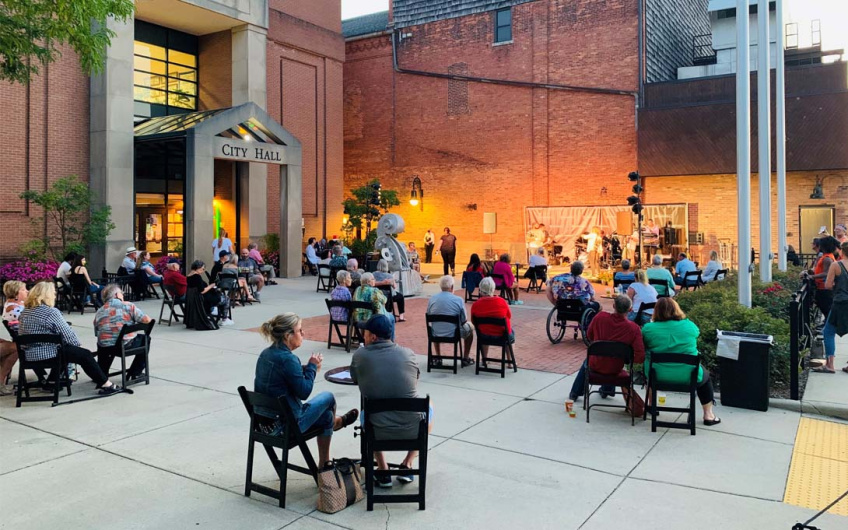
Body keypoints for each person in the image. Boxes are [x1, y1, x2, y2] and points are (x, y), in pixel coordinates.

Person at [254, 313, 358, 468]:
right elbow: (304, 392)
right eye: (300, 330)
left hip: (263, 425)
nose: (303, 334)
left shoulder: (266, 354)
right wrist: (312, 368)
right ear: (288, 335)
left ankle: (326, 457)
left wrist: (304, 369)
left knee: (326, 417)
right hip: (285, 426)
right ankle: (334, 429)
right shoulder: (288, 359)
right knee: (328, 397)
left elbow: (281, 379)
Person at [351, 314, 433, 487]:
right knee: (428, 405)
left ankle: (382, 468)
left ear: (373, 337)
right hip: (413, 429)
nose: (363, 336)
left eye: (365, 333)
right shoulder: (408, 354)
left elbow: (355, 378)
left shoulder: (360, 356)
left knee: (368, 411)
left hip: (377, 430)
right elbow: (413, 382)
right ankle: (408, 463)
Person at [18, 282, 121, 395]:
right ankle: (107, 384)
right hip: (48, 354)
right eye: (53, 293)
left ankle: (52, 381)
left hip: (28, 354)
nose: (54, 295)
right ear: (46, 295)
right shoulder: (51, 312)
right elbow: (69, 336)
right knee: (84, 355)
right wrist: (77, 346)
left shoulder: (25, 312)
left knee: (68, 350)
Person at [641, 298, 720, 425]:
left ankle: (652, 406)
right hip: (688, 376)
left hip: (658, 376)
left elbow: (643, 346)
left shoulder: (648, 329)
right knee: (705, 378)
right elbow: (696, 335)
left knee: (647, 369)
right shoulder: (689, 326)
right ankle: (708, 415)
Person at [569, 295, 646, 401]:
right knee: (611, 360)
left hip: (595, 364)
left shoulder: (600, 317)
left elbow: (589, 335)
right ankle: (607, 390)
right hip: (616, 368)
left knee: (589, 360)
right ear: (630, 309)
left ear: (613, 305)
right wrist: (628, 360)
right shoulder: (634, 329)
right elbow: (640, 356)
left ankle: (575, 392)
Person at [94, 284, 152, 380]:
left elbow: (97, 332)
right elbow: (146, 320)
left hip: (105, 348)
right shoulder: (128, 306)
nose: (123, 295)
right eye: (122, 293)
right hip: (124, 345)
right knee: (146, 339)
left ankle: (102, 374)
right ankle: (135, 372)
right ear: (117, 295)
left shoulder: (100, 311)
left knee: (102, 342)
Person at [426, 275, 475, 367]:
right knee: (470, 329)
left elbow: (428, 314)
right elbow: (464, 320)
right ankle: (465, 357)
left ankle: (438, 356)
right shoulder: (458, 300)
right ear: (452, 287)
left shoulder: (432, 299)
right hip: (454, 333)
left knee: (435, 326)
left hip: (435, 333)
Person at [821, 241, 848, 374]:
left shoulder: (836, 265)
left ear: (841, 251)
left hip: (840, 302)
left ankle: (830, 364)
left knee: (828, 331)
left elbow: (828, 285)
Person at [471, 277, 514, 355]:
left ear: (480, 290)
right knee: (510, 333)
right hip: (501, 335)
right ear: (493, 289)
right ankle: (510, 361)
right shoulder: (502, 302)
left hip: (484, 335)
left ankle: (485, 359)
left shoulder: (476, 305)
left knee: (484, 329)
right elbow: (509, 316)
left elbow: (474, 322)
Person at [805, 236, 838, 331]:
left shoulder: (827, 258)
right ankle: (827, 324)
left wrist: (812, 277)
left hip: (825, 287)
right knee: (821, 305)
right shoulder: (824, 256)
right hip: (821, 286)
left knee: (826, 306)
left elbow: (826, 273)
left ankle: (829, 326)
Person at [0, 281, 27, 395]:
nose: (27, 291)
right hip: (23, 338)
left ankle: (1, 381)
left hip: (20, 337)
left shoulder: (15, 305)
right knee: (17, 348)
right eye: (24, 289)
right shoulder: (13, 308)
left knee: (16, 348)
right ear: (16, 293)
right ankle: (0, 382)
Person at [187, 260, 232, 325]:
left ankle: (214, 310)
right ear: (198, 268)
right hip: (204, 299)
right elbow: (202, 291)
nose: (203, 271)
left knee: (220, 296)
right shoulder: (197, 277)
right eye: (203, 269)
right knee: (226, 298)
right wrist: (211, 286)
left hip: (197, 299)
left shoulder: (189, 276)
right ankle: (224, 318)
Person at [353, 272, 395, 340]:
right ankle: (390, 341)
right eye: (373, 279)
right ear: (368, 282)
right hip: (372, 321)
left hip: (358, 320)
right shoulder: (374, 291)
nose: (375, 280)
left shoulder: (357, 290)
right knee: (392, 318)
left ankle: (364, 339)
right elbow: (385, 300)